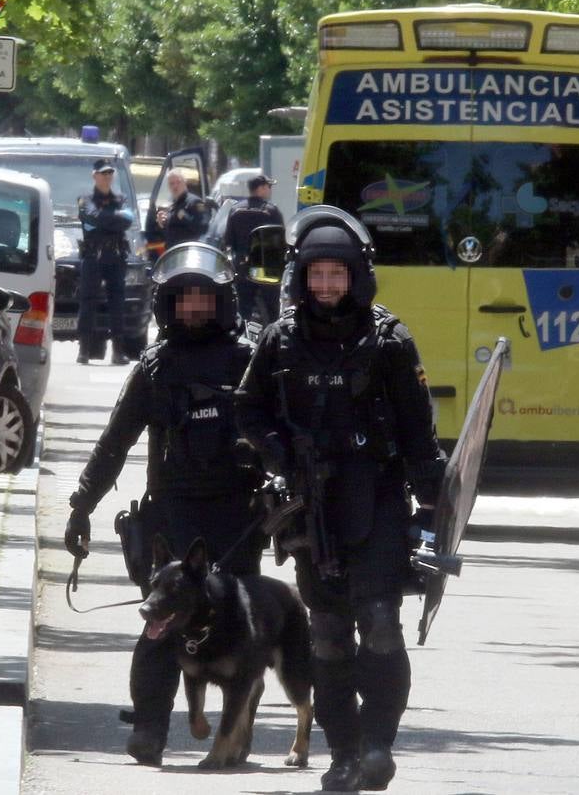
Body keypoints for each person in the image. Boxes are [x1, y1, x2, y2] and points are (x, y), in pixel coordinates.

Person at [236, 206, 445, 792]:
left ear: (357, 275)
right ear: (302, 278)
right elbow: (248, 408)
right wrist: (280, 454)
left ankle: (378, 743)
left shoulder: (390, 342)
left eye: (338, 274)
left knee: (380, 624)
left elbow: (419, 436)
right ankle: (343, 752)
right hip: (310, 509)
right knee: (326, 633)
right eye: (317, 275)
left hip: (376, 503)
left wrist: (432, 514)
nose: (327, 286)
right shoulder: (280, 341)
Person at [63, 241, 267, 767]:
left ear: (222, 302)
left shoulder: (251, 359)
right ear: (168, 306)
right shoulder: (156, 368)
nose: (194, 309)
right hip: (173, 521)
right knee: (160, 628)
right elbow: (115, 441)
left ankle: (235, 734)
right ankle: (150, 728)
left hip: (238, 520)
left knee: (237, 633)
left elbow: (288, 433)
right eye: (184, 300)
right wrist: (81, 504)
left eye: (204, 299)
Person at [77, 158, 134, 365]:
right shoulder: (85, 199)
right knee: (88, 301)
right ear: (95, 175)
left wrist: (106, 219)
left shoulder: (122, 198)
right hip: (94, 256)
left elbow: (128, 220)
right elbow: (92, 217)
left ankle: (118, 351)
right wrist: (113, 219)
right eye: (103, 173)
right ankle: (84, 350)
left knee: (118, 303)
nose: (107, 177)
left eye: (110, 173)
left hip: (116, 257)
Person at [223, 174, 284, 324]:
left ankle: (244, 337)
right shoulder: (271, 211)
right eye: (268, 187)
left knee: (243, 309)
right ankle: (271, 338)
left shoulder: (235, 210)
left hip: (244, 267)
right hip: (266, 269)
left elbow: (228, 240)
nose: (270, 190)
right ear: (261, 188)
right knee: (272, 311)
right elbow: (281, 240)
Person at [158, 168, 210, 250]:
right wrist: (163, 223)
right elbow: (173, 230)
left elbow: (203, 228)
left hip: (188, 253)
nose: (175, 186)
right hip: (172, 254)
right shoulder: (174, 205)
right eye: (171, 184)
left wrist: (184, 216)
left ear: (185, 183)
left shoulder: (195, 202)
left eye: (178, 182)